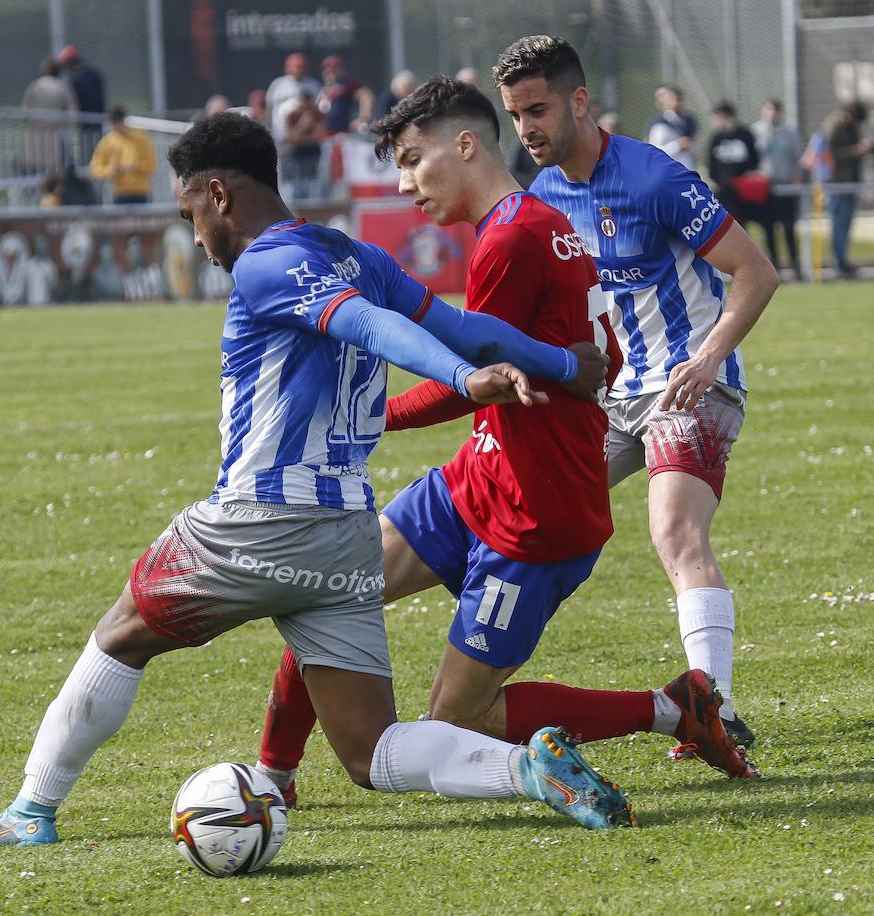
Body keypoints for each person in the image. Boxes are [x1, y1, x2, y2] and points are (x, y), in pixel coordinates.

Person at [0, 112, 636, 848]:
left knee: (120, 636)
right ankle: (525, 770)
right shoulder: (361, 255)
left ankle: (30, 813)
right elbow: (462, 325)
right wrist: (560, 364)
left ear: (217, 194)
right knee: (370, 750)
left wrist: (467, 379)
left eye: (190, 216)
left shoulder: (265, 266)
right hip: (343, 538)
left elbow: (372, 329)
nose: (198, 240)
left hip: (254, 521)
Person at [254, 77, 757, 807]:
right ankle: (271, 778)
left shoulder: (514, 238)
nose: (403, 183)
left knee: (458, 721)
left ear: (464, 146)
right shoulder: (537, 219)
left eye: (412, 160)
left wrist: (371, 420)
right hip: (477, 480)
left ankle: (673, 707)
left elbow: (473, 377)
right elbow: (596, 359)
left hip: (537, 520)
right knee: (331, 592)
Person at [497, 35, 779, 749]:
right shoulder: (542, 195)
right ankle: (477, 688)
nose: (526, 129)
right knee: (528, 516)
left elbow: (756, 272)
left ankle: (714, 706)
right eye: (515, 115)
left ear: (580, 102)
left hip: (688, 385)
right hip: (609, 397)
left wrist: (710, 358)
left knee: (675, 532)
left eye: (538, 110)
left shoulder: (656, 179)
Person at [752, 99, 805, 280]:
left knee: (789, 227)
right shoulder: (756, 132)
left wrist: (796, 179)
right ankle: (773, 265)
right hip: (764, 187)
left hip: (785, 185)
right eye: (769, 110)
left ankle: (794, 264)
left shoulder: (789, 133)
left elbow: (798, 159)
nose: (772, 114)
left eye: (775, 110)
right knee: (768, 228)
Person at [825, 100, 869, 279]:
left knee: (845, 224)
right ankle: (838, 262)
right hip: (838, 182)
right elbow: (831, 154)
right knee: (838, 223)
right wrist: (854, 151)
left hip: (850, 182)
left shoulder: (851, 127)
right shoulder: (836, 126)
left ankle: (842, 259)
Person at [706, 101, 764, 234]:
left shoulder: (745, 134)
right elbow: (711, 163)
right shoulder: (716, 137)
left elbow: (755, 158)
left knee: (744, 221)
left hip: (742, 186)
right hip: (724, 187)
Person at [89, 106, 157, 205]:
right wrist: (112, 170)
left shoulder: (141, 138)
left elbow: (152, 164)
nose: (117, 125)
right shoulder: (107, 142)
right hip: (120, 192)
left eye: (119, 121)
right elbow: (95, 169)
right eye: (114, 122)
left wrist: (136, 167)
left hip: (141, 192)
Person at [21, 57, 77, 175]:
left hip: (34, 133)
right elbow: (72, 110)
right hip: (55, 132)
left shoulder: (34, 85)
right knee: (56, 168)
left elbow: (25, 109)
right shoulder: (62, 86)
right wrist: (64, 124)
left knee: (33, 167)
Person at [56, 45, 106, 161]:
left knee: (87, 158)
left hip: (85, 123)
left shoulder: (74, 80)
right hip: (98, 121)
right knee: (98, 155)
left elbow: (74, 105)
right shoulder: (95, 74)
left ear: (70, 63)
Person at [266, 52, 321, 142]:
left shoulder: (313, 85)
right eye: (297, 66)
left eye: (302, 66)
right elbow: (269, 109)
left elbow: (318, 111)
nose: (300, 70)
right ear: (288, 67)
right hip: (280, 137)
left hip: (307, 139)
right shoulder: (278, 84)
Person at [281, 90, 325, 201]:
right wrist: (302, 125)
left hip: (314, 154)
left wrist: (300, 138)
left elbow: (318, 137)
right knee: (296, 185)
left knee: (313, 185)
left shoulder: (318, 115)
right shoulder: (292, 115)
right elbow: (291, 138)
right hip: (297, 155)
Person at [319, 55, 372, 135]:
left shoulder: (348, 83)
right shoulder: (322, 89)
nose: (329, 71)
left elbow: (366, 96)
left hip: (344, 132)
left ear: (341, 69)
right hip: (325, 133)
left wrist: (362, 119)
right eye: (327, 69)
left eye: (334, 68)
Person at [646, 85, 696, 169]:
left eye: (678, 99)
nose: (675, 101)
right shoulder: (658, 122)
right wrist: (677, 146)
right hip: (666, 168)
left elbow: (693, 146)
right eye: (671, 99)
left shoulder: (689, 120)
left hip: (686, 167)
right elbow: (654, 150)